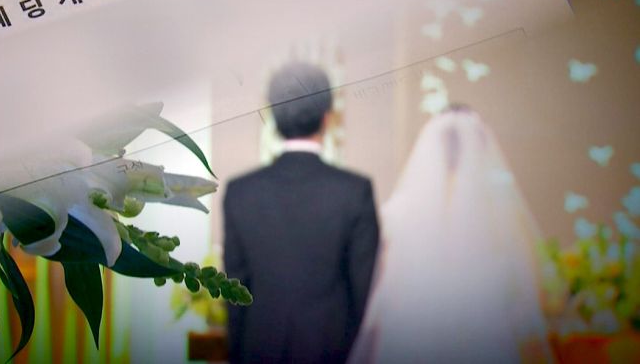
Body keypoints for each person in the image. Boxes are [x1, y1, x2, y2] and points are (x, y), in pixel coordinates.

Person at [348, 106, 552, 363]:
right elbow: (530, 299)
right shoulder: (500, 216)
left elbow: (380, 290)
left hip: (414, 344)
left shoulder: (398, 212)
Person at [223, 62, 380, 363]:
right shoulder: (355, 191)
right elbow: (364, 292)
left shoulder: (241, 191)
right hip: (333, 350)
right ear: (327, 116)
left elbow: (235, 290)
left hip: (259, 349)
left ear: (273, 115)